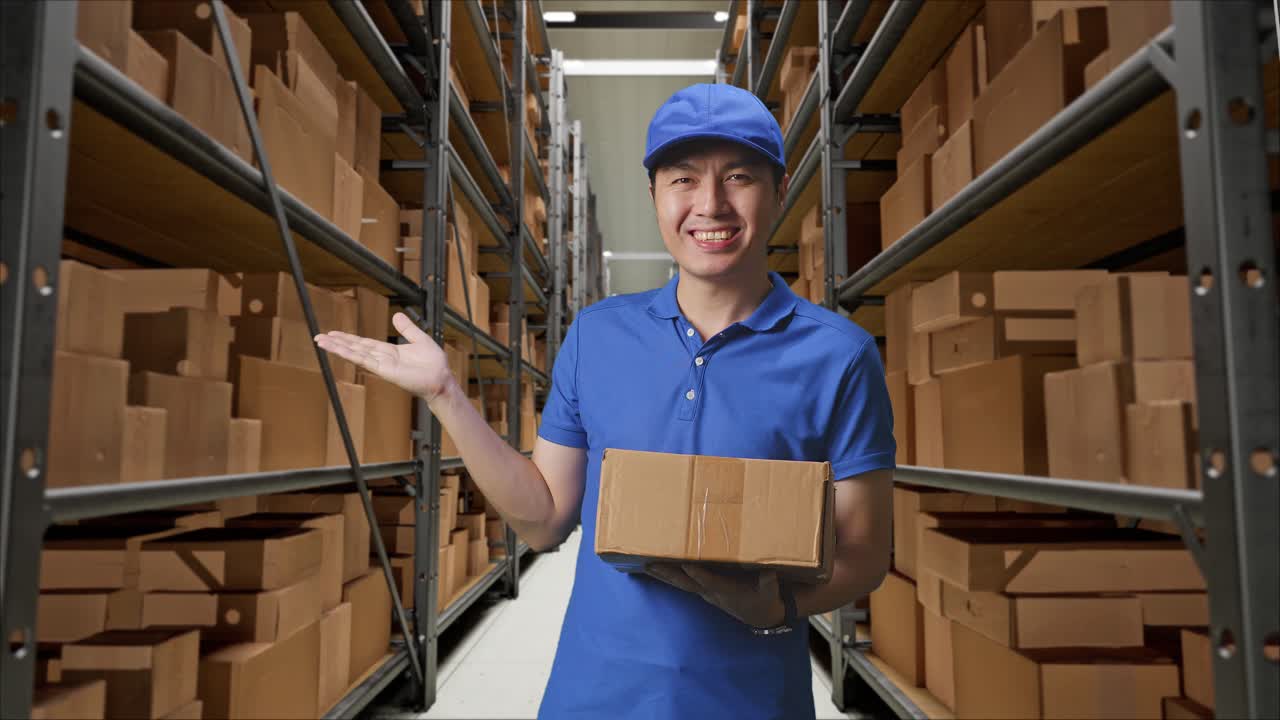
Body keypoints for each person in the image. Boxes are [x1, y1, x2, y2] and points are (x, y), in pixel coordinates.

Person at [315, 82, 895, 720]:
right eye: (682, 179)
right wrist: (446, 395)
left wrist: (780, 607)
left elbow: (864, 551)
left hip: (751, 700)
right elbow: (542, 521)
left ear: (780, 190)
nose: (710, 204)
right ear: (654, 195)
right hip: (594, 695)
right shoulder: (597, 335)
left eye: (739, 177)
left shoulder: (839, 355)